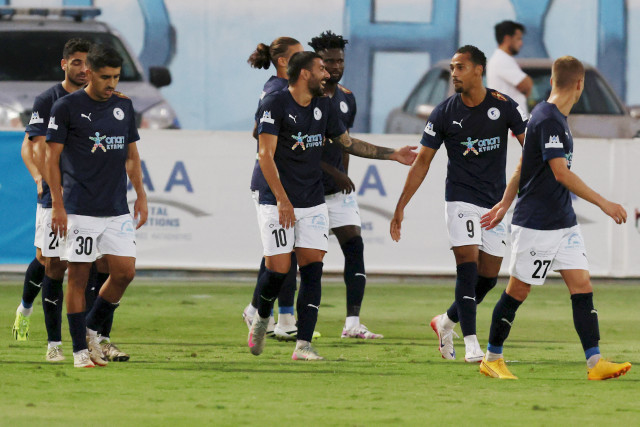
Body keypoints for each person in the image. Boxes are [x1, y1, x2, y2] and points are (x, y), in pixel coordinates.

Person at [250, 51, 416, 360]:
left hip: (312, 199)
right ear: (304, 74)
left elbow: (347, 143)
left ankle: (303, 345)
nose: (327, 74)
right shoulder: (275, 103)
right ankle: (260, 317)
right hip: (276, 198)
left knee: (313, 268)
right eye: (321, 69)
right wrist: (283, 200)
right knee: (278, 270)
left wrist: (393, 154)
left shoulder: (323, 106)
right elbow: (265, 155)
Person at [478, 56, 631, 380]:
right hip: (537, 223)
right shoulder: (548, 118)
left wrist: (504, 202)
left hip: (563, 222)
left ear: (551, 81)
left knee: (582, 285)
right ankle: (492, 358)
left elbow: (523, 165)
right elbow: (561, 173)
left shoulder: (552, 117)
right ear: (580, 85)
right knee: (518, 291)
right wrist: (604, 203)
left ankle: (595, 363)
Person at [390, 45, 527, 363]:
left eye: (460, 67)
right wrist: (400, 206)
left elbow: (529, 147)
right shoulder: (444, 113)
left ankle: (445, 322)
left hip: (494, 205)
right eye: (452, 68)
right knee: (467, 267)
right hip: (460, 199)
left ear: (479, 70)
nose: (454, 73)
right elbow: (422, 162)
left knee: (488, 278)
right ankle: (472, 344)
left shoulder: (503, 106)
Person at [46, 44, 147, 368]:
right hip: (80, 208)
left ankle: (90, 330)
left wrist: (141, 194)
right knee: (77, 277)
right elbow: (51, 157)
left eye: (116, 77)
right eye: (105, 77)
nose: (111, 84)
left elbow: (131, 155)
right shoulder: (66, 107)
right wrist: (57, 204)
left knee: (125, 272)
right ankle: (79, 351)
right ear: (89, 73)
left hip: (116, 207)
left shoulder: (123, 106)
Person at [12, 39, 91, 364]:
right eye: (76, 62)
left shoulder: (96, 99)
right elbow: (30, 146)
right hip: (54, 194)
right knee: (50, 261)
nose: (83, 69)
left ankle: (90, 337)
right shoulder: (49, 100)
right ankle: (31, 317)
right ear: (64, 64)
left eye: (87, 63)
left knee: (81, 264)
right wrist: (41, 180)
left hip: (85, 196)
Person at [308, 30, 382, 339]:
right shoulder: (304, 97)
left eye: (340, 60)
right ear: (317, 63)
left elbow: (345, 143)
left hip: (337, 192)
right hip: (307, 191)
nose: (336, 66)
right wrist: (334, 172)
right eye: (329, 61)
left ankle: (352, 323)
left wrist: (343, 177)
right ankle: (261, 310)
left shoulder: (346, 97)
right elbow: (301, 148)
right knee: (291, 259)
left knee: (355, 247)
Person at [242, 37, 306, 341]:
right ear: (283, 61)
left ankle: (259, 310)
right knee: (283, 253)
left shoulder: (279, 88)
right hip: (271, 184)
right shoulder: (277, 91)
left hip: (285, 182)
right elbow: (259, 132)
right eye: (298, 55)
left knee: (278, 254)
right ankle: (282, 317)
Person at [487, 20, 533, 117]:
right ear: (507, 39)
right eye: (518, 39)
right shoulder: (501, 60)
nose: (521, 43)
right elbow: (526, 85)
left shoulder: (503, 59)